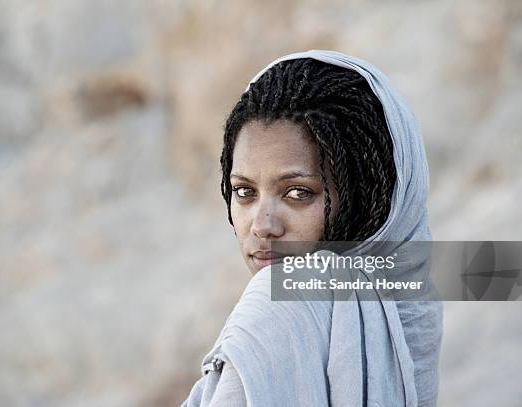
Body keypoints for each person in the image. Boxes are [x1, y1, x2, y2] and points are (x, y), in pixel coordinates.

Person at [182, 50, 442, 407]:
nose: (263, 225)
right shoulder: (411, 296)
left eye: (298, 193)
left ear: (364, 198)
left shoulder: (274, 311)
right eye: (244, 192)